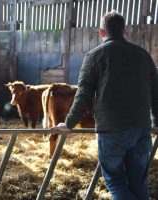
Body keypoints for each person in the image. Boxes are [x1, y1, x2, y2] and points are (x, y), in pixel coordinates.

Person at [52, 11, 158, 200]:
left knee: (115, 182)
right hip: (142, 128)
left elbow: (83, 93)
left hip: (112, 129)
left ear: (102, 32)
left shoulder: (94, 56)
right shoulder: (143, 55)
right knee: (138, 182)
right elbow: (156, 93)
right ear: (124, 31)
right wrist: (156, 121)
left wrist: (68, 123)